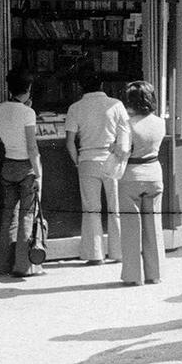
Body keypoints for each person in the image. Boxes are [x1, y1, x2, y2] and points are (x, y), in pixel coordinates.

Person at [65, 69, 131, 265]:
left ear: (80, 87)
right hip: (111, 159)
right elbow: (125, 134)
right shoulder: (116, 104)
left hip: (87, 160)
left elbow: (69, 142)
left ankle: (95, 254)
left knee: (91, 209)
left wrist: (78, 161)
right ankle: (118, 252)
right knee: (115, 207)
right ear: (102, 85)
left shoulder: (75, 108)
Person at [115, 80, 167, 288]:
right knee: (154, 226)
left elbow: (122, 151)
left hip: (131, 176)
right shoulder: (160, 122)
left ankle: (133, 275)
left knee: (131, 228)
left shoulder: (127, 124)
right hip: (154, 173)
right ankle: (155, 273)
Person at [0, 66, 44, 279]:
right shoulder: (28, 113)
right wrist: (38, 173)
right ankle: (24, 266)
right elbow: (32, 147)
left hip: (8, 164)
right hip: (26, 166)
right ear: (29, 88)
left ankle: (4, 264)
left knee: (9, 215)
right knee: (27, 215)